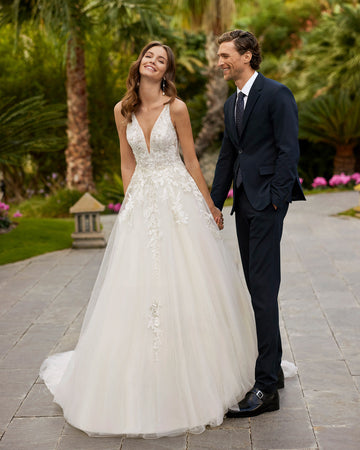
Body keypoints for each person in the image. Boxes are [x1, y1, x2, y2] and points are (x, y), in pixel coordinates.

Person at [39, 41, 258, 438]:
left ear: (166, 70)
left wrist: (210, 205)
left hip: (178, 200)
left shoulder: (177, 108)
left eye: (161, 59)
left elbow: (191, 160)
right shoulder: (121, 110)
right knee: (136, 286)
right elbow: (127, 161)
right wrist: (132, 202)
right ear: (139, 63)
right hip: (142, 202)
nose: (153, 61)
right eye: (149, 56)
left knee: (187, 280)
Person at [211, 30, 305, 418]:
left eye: (225, 54)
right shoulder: (233, 102)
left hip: (266, 203)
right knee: (257, 289)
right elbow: (226, 157)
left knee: (263, 291)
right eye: (219, 56)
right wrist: (213, 205)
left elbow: (288, 150)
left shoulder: (277, 94)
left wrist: (276, 200)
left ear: (247, 55)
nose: (220, 61)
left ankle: (266, 387)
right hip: (243, 204)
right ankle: (274, 371)